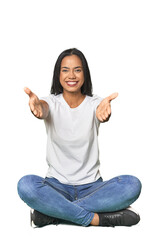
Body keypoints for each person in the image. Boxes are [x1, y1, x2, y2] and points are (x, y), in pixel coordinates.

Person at [17, 48, 142, 228]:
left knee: (132, 185)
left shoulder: (95, 103)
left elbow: (101, 111)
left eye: (77, 69)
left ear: (85, 73)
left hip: (93, 188)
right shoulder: (51, 102)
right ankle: (98, 219)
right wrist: (37, 107)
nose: (71, 75)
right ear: (58, 74)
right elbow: (43, 109)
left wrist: (102, 113)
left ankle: (53, 214)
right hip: (56, 186)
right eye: (65, 70)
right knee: (26, 185)